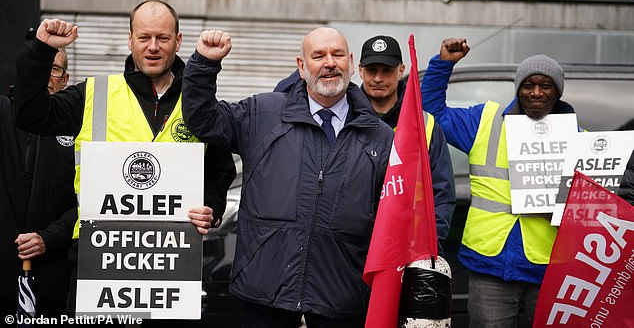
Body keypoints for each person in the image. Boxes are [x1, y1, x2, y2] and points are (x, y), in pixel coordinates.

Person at [12, 0, 236, 320]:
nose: (153, 47)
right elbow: (29, 114)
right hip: (97, 263)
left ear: (178, 40)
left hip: (172, 265)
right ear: (130, 40)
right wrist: (41, 52)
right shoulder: (92, 94)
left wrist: (209, 207)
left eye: (162, 38)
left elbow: (219, 171)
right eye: (144, 38)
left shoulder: (199, 104)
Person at [182, 27, 394, 328]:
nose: (329, 63)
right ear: (301, 65)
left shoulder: (381, 138)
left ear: (350, 61)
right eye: (318, 56)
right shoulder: (262, 114)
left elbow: (392, 219)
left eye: (336, 55)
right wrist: (204, 63)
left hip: (343, 296)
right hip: (266, 290)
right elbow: (202, 119)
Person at [421, 39, 579, 328]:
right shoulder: (486, 120)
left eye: (546, 86)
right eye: (528, 84)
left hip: (549, 268)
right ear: (517, 88)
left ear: (558, 92)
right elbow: (431, 112)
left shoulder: (578, 137)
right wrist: (443, 64)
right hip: (490, 265)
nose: (536, 92)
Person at [358, 35, 455, 251]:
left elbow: (442, 193)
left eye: (387, 70)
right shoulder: (344, 119)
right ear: (360, 70)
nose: (378, 78)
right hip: (352, 251)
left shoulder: (425, 124)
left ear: (401, 70)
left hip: (408, 248)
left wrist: (430, 246)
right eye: (372, 70)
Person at [0, 47, 76, 320]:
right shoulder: (2, 112)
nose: (45, 74)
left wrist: (49, 238)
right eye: (39, 66)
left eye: (54, 68)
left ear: (65, 79)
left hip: (54, 284)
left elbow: (91, 202)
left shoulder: (79, 129)